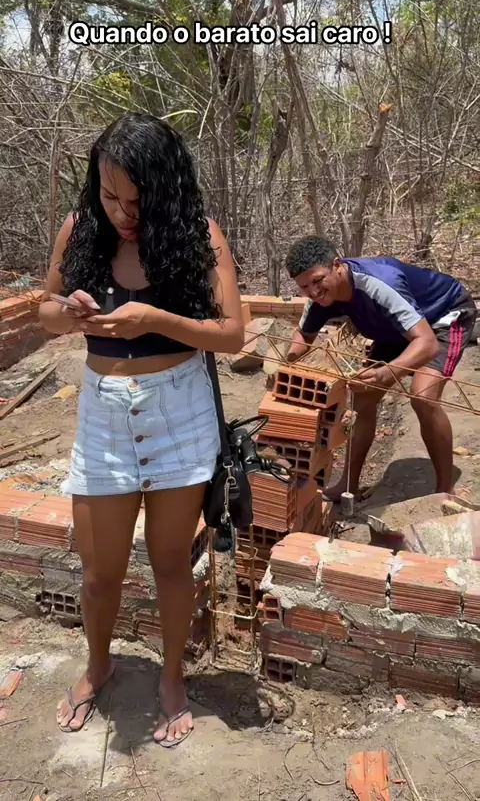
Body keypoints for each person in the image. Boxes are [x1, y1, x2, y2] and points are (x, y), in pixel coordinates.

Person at [39, 112, 244, 747]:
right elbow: (45, 313)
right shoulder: (80, 229)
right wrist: (71, 313)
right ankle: (98, 664)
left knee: (170, 564)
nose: (122, 213)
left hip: (177, 411)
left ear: (165, 189)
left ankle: (172, 678)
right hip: (103, 415)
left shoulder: (199, 234)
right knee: (99, 571)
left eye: (136, 200)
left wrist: (157, 318)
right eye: (110, 196)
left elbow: (232, 334)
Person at [284, 235, 477, 502]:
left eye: (318, 281)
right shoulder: (319, 299)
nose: (313, 291)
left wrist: (387, 372)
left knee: (423, 396)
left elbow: (427, 343)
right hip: (396, 329)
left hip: (442, 316)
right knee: (363, 397)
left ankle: (445, 491)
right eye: (304, 286)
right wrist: (286, 364)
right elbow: (303, 336)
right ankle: (348, 486)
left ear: (337, 265)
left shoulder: (378, 283)